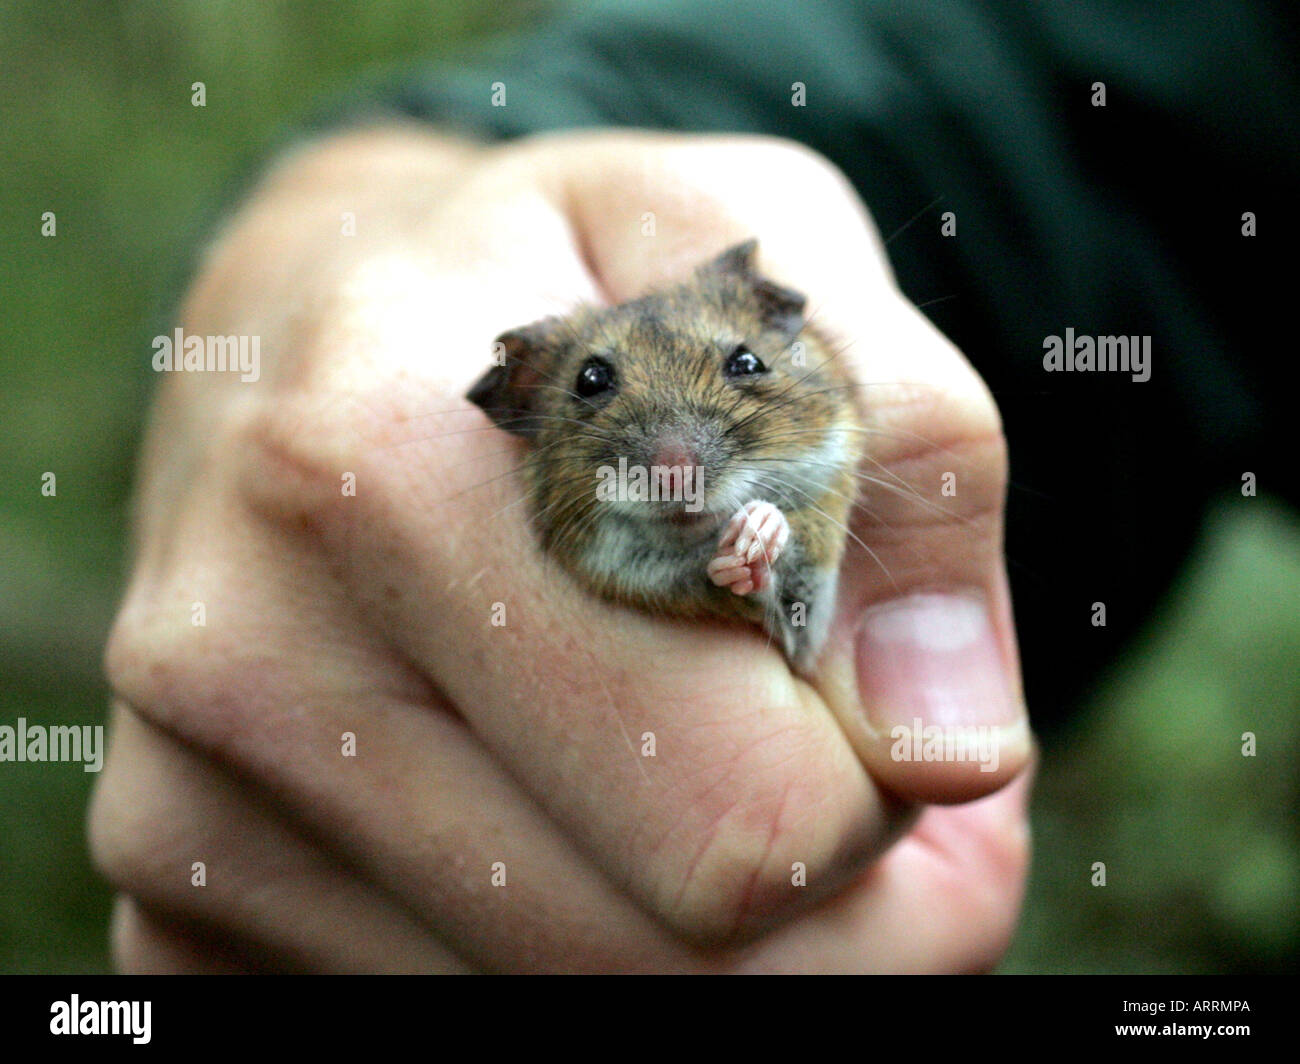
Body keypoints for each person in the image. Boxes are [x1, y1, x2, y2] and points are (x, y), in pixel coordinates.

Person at [88, 0, 1294, 972]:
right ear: (526, 407)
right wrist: (329, 232)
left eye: (737, 368)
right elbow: (986, 75)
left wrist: (766, 565)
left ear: (777, 340)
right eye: (599, 388)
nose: (676, 453)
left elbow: (804, 578)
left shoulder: (804, 455)